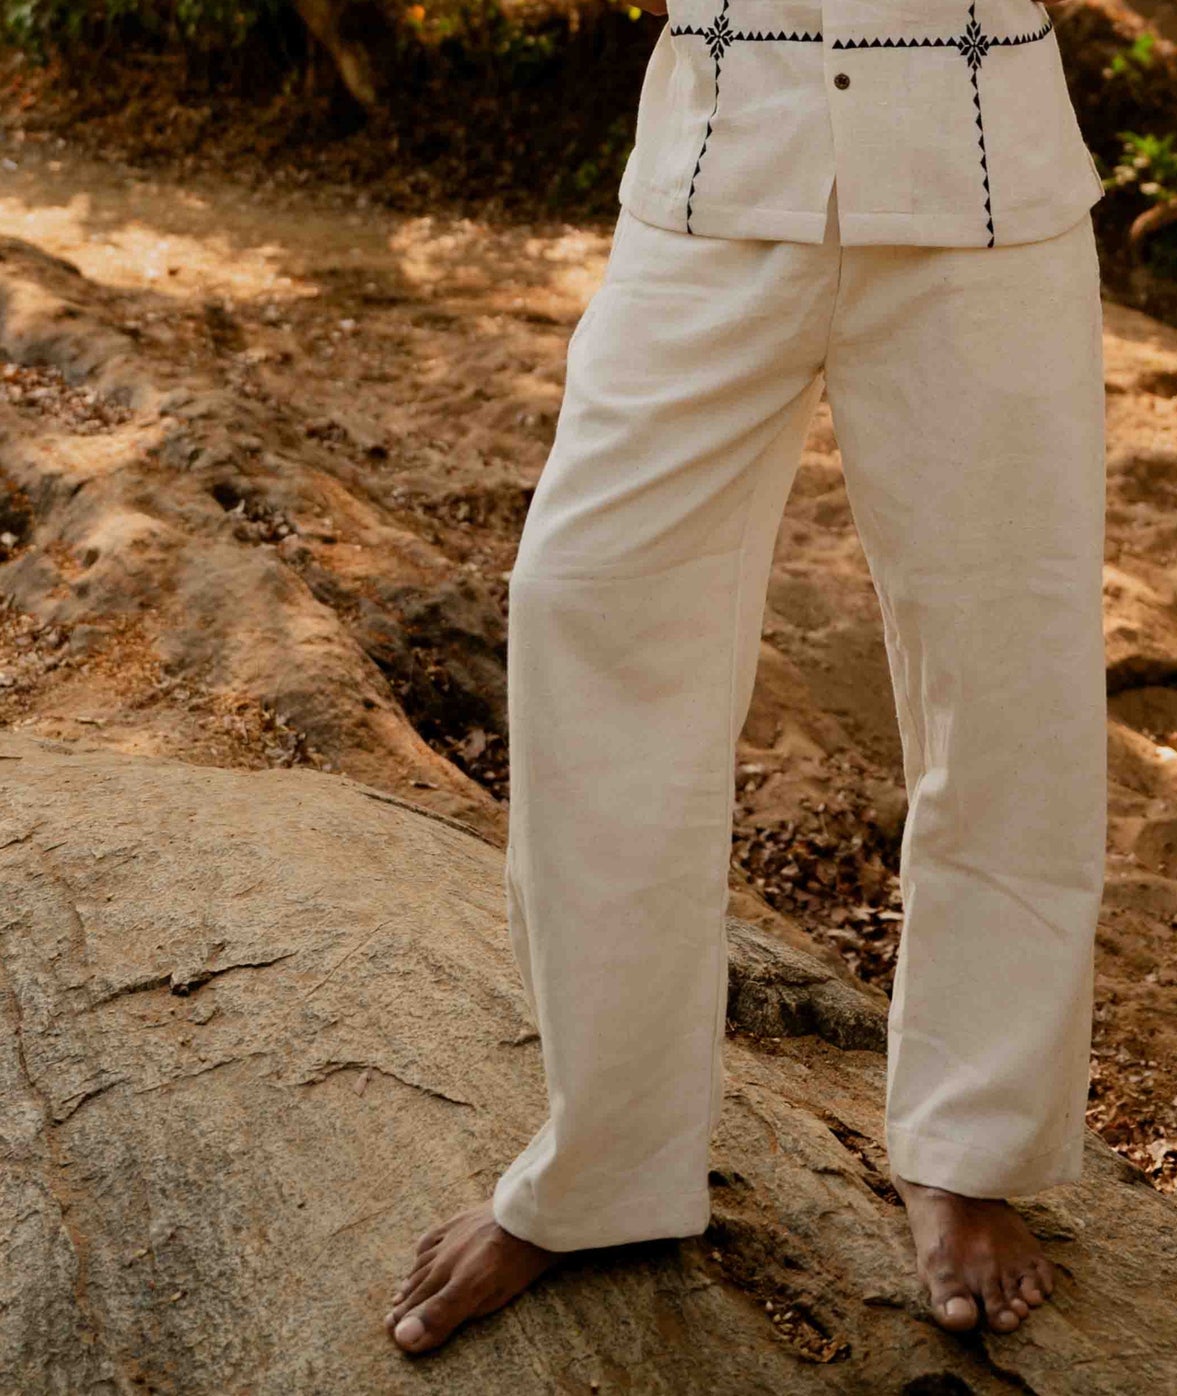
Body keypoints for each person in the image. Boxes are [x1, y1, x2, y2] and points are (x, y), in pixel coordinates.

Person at [387, 0, 1106, 1352]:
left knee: (1006, 672)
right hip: (714, 172)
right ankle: (602, 1159)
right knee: (583, 606)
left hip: (982, 185)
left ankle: (970, 1148)